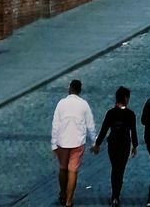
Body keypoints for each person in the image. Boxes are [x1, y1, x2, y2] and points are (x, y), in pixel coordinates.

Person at [51, 79, 97, 207]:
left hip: (62, 142)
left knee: (62, 168)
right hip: (77, 142)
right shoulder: (84, 105)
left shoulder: (61, 103)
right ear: (80, 90)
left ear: (69, 88)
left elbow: (55, 124)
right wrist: (94, 142)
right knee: (73, 171)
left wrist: (53, 144)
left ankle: (62, 193)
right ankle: (69, 201)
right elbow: (90, 125)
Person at [92, 87, 138, 207]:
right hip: (124, 144)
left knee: (115, 168)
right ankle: (116, 195)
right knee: (120, 170)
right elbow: (133, 131)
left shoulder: (111, 113)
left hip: (113, 144)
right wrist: (135, 145)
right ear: (126, 98)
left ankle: (114, 195)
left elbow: (104, 130)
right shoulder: (130, 114)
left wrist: (97, 144)